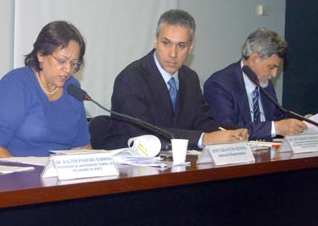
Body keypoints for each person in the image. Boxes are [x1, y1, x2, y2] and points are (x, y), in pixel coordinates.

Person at [105, 9, 248, 150]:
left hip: (177, 163)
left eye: (181, 45)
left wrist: (229, 133)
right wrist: (204, 139)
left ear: (191, 47)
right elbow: (146, 134)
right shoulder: (131, 79)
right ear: (155, 40)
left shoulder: (190, 78)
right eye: (166, 43)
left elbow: (202, 121)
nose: (173, 54)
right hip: (133, 164)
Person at [0, 21, 91, 159]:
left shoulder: (72, 88)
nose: (68, 70)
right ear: (41, 54)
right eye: (62, 61)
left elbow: (82, 147)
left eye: (74, 63)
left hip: (60, 177)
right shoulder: (16, 85)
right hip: (18, 176)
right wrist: (22, 175)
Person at [203, 28, 307, 141]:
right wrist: (275, 128)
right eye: (271, 67)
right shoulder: (219, 84)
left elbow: (279, 118)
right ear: (254, 59)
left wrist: (302, 122)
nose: (274, 74)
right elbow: (227, 129)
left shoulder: (265, 84)